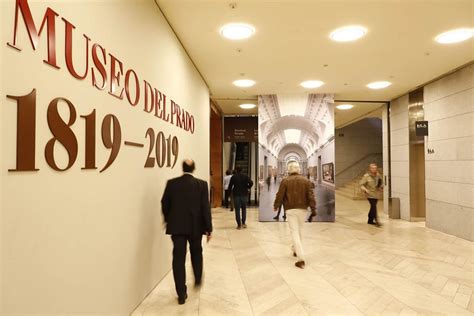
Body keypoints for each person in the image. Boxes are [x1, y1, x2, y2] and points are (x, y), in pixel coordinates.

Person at [161, 159, 213, 305]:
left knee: (178, 259)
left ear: (182, 168)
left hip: (177, 228)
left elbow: (164, 203)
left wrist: (168, 219)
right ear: (194, 168)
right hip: (196, 228)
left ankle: (181, 293)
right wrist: (208, 228)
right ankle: (197, 279)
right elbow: (205, 208)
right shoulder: (202, 185)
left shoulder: (172, 184)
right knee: (196, 253)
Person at [273, 161, 316, 269]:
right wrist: (313, 208)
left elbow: (280, 194)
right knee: (299, 230)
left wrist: (276, 205)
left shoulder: (285, 181)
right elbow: (311, 196)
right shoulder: (306, 181)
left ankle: (301, 259)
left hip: (290, 209)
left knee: (294, 232)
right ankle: (295, 249)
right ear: (298, 169)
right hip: (302, 209)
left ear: (289, 170)